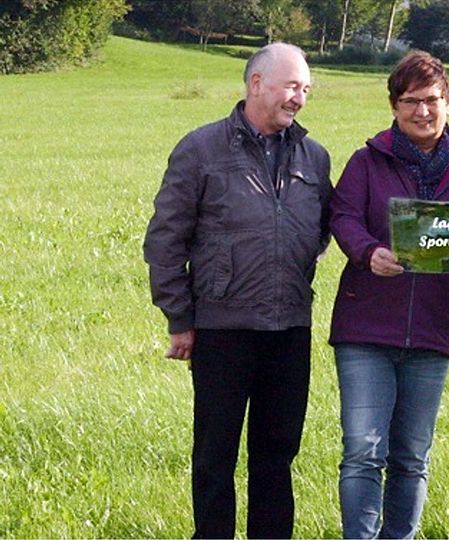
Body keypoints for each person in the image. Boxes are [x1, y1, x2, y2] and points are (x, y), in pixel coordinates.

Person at [143, 42, 332, 538]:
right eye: (292, 86)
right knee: (214, 456)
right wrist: (180, 318)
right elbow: (165, 238)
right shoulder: (201, 149)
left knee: (277, 455)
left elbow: (325, 230)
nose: (299, 98)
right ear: (255, 84)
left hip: (290, 328)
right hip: (222, 328)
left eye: (306, 89)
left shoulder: (315, 156)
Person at [328, 51, 449, 539]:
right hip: (365, 328)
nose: (422, 111)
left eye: (431, 100)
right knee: (364, 450)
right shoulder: (367, 161)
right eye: (410, 101)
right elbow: (342, 216)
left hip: (431, 330)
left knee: (411, 455)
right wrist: (368, 253)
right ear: (393, 105)